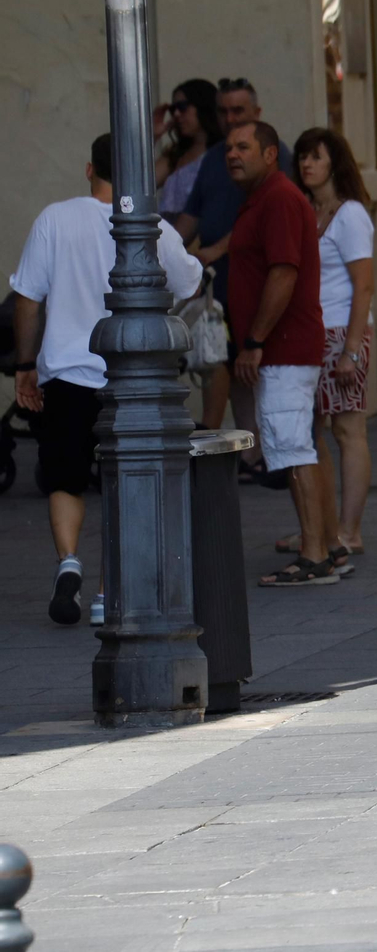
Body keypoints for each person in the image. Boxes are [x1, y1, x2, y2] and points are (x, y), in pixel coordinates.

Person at [9, 134, 202, 626]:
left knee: (64, 478)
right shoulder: (149, 224)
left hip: (67, 374)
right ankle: (104, 596)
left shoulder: (55, 218)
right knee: (122, 483)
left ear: (89, 168)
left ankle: (68, 560)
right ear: (138, 173)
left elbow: (28, 300)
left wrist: (25, 365)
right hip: (129, 376)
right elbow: (187, 282)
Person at [225, 121, 338, 586]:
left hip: (284, 349)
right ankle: (323, 548)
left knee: (293, 447)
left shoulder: (278, 199)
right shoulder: (265, 199)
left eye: (243, 147)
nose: (232, 154)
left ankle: (314, 556)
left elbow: (284, 274)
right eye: (229, 147)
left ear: (270, 153)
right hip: (283, 349)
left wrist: (255, 341)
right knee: (294, 446)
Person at [173, 77, 295, 476]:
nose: (229, 119)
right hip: (218, 289)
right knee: (227, 365)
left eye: (238, 112)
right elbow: (190, 219)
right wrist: (166, 252)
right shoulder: (212, 159)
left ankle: (279, 456)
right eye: (223, 112)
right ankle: (250, 453)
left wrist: (219, 247)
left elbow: (264, 219)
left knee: (263, 368)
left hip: (263, 287)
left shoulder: (279, 162)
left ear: (257, 115)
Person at [291, 127, 376, 562]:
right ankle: (319, 526)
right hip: (312, 330)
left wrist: (353, 350)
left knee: (348, 429)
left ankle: (349, 529)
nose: (307, 164)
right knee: (312, 429)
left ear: (334, 163)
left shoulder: (351, 215)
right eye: (303, 156)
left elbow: (364, 286)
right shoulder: (307, 211)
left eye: (316, 157)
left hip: (343, 330)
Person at [153, 79, 222, 223]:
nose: (176, 114)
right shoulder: (175, 153)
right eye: (173, 109)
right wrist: (152, 136)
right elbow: (142, 184)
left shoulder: (222, 151)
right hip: (166, 237)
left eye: (182, 107)